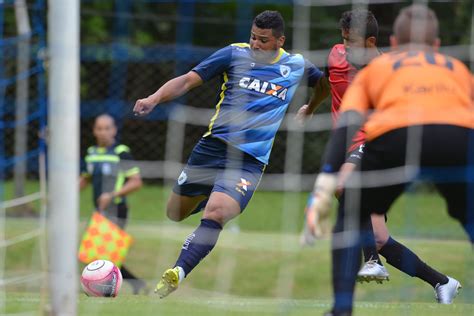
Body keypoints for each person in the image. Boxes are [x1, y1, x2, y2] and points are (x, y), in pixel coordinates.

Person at [133, 10, 329, 298]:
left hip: (249, 161)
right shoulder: (233, 54)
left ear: (279, 41)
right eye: (253, 37)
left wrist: (310, 108)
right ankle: (211, 194)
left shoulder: (296, 65)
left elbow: (324, 84)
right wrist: (154, 98)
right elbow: (188, 80)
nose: (255, 44)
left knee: (217, 213)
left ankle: (178, 271)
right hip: (213, 148)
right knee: (175, 213)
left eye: (263, 40)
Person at [312, 5, 473, 315]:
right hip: (457, 138)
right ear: (437, 46)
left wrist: (327, 174)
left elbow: (347, 124)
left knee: (347, 199)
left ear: (392, 44)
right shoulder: (457, 69)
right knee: (379, 236)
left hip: (388, 140)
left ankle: (349, 296)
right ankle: (442, 282)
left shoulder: (381, 69)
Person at [80, 114, 147, 295]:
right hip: (99, 211)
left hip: (117, 209)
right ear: (94, 131)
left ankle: (104, 287)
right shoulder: (91, 153)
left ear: (114, 130)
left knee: (103, 255)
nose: (103, 132)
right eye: (99, 128)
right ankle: (135, 284)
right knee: (93, 254)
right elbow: (85, 179)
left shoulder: (121, 152)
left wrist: (112, 194)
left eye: (107, 128)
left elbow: (136, 181)